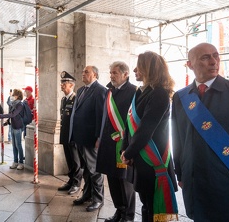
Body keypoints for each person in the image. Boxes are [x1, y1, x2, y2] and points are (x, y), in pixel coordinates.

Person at [172, 43, 229, 221]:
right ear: (189, 64)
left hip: (227, 183)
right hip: (193, 182)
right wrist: (180, 174)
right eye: (205, 57)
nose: (213, 61)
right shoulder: (181, 97)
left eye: (216, 56)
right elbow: (177, 139)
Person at [120, 51, 178, 222]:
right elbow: (128, 124)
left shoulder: (159, 94)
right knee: (146, 203)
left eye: (140, 65)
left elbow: (146, 129)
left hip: (151, 160)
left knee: (153, 206)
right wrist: (125, 149)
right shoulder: (142, 92)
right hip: (139, 157)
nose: (135, 69)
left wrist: (129, 153)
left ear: (149, 68)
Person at [96, 61, 137, 222]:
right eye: (111, 73)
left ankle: (128, 216)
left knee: (124, 182)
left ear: (125, 74)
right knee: (112, 180)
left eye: (115, 73)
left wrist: (128, 145)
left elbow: (133, 121)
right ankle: (119, 212)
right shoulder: (110, 91)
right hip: (108, 143)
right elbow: (105, 118)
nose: (112, 76)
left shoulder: (134, 92)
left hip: (122, 145)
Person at [69, 65, 107, 212]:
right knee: (86, 170)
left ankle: (98, 199)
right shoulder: (81, 90)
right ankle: (87, 195)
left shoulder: (100, 91)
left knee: (94, 170)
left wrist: (99, 137)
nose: (82, 73)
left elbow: (100, 116)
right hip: (79, 137)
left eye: (86, 72)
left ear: (95, 75)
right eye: (83, 71)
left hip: (91, 138)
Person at [57, 71, 83, 195]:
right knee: (69, 159)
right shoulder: (63, 100)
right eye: (62, 83)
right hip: (65, 134)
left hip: (73, 135)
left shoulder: (76, 99)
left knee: (76, 161)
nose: (62, 85)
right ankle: (71, 180)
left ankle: (76, 183)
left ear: (71, 85)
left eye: (64, 83)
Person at [0, 89, 25, 170]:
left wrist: (1, 116)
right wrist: (6, 122)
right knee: (14, 145)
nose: (12, 96)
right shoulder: (13, 104)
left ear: (18, 96)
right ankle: (15, 161)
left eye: (13, 95)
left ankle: (21, 162)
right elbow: (11, 115)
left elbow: (13, 114)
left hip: (18, 126)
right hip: (13, 126)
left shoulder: (20, 104)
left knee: (18, 145)